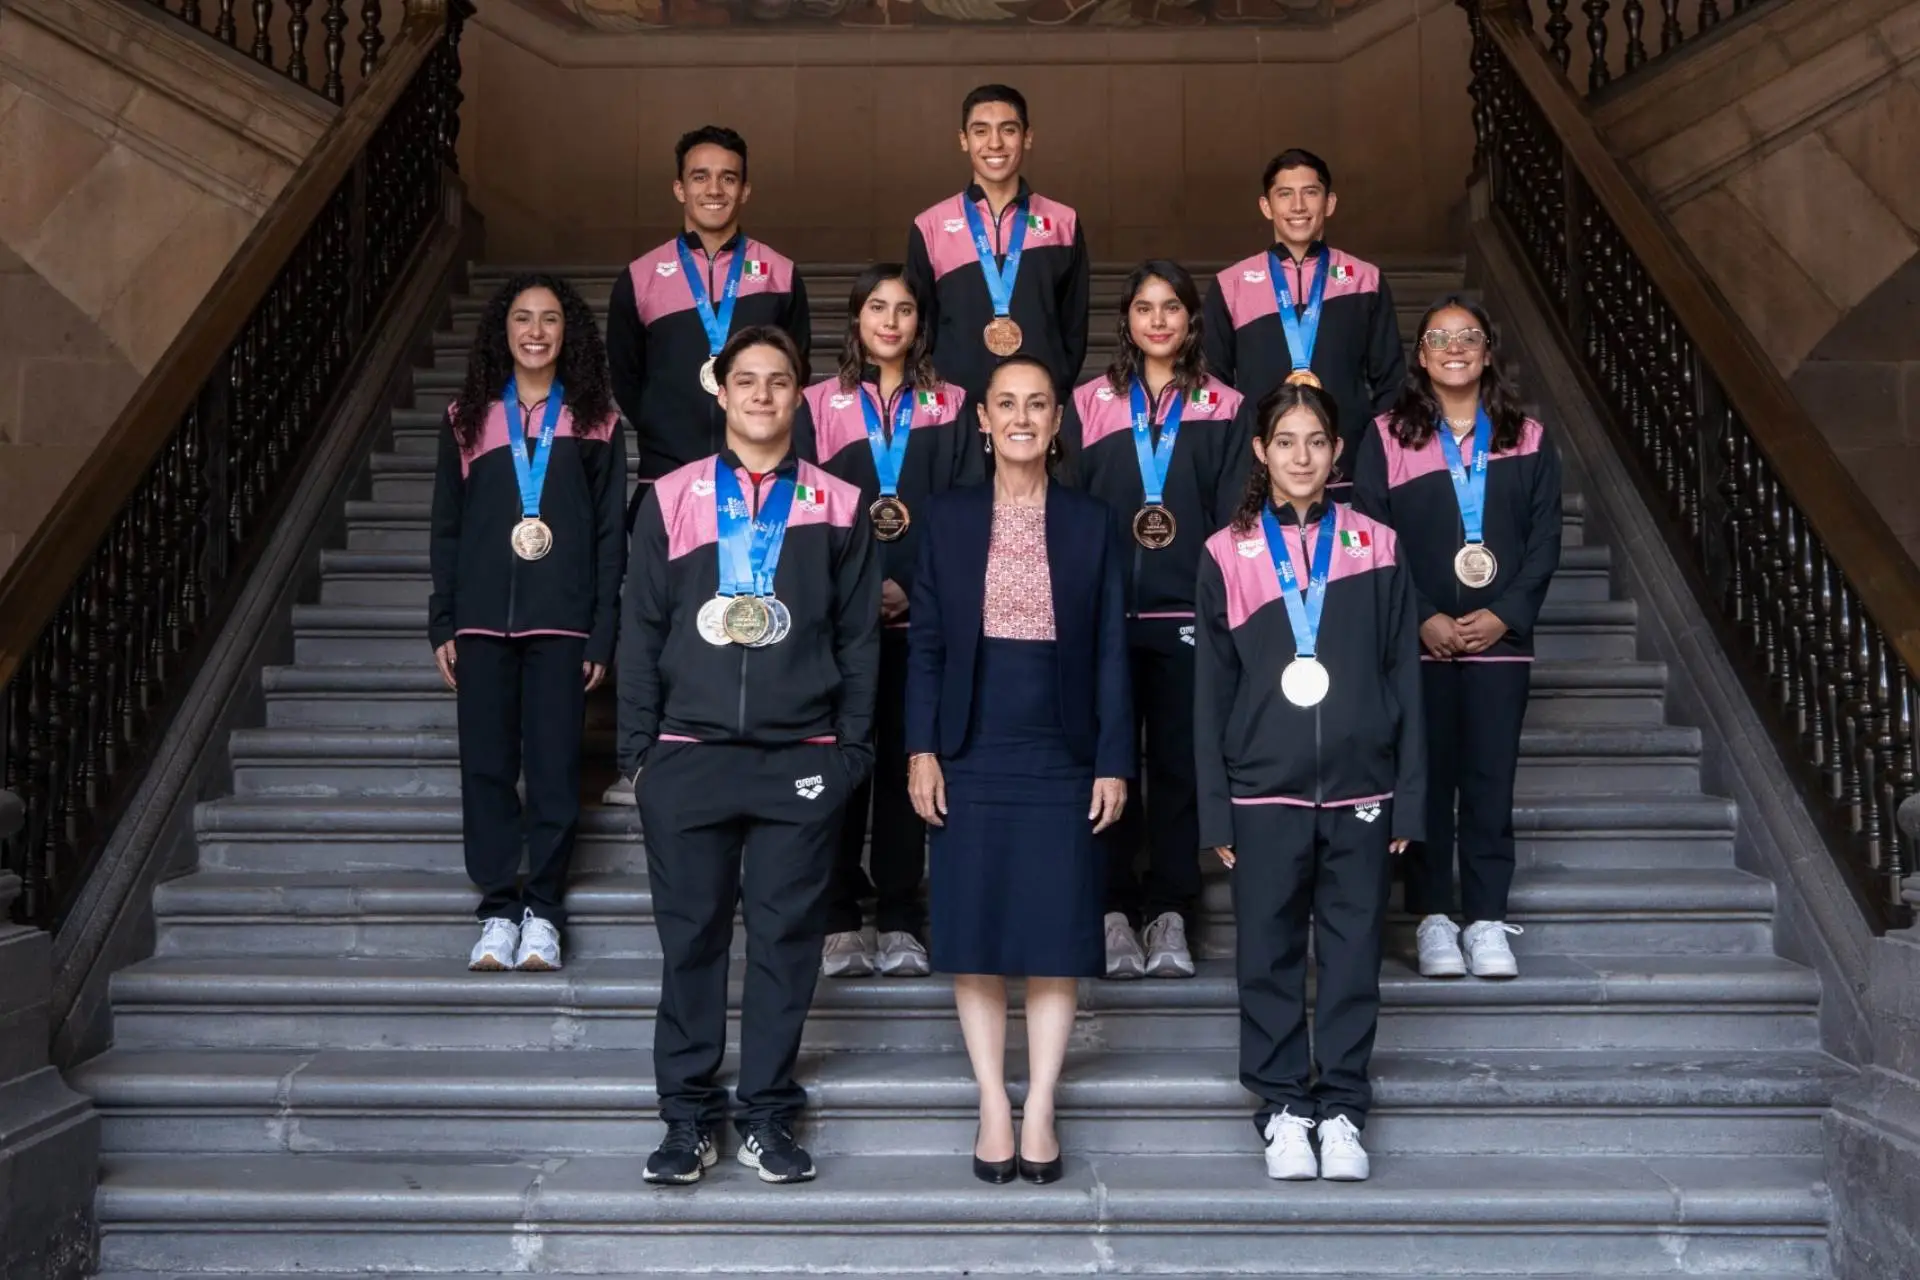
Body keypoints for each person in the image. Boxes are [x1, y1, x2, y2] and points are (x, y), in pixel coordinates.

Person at [617, 325, 880, 1187]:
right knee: (690, 943)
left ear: (799, 396)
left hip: (797, 762)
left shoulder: (839, 503)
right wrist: (640, 756)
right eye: (747, 381)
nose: (763, 395)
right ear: (721, 394)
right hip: (687, 759)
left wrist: (849, 756)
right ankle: (687, 1119)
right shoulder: (670, 499)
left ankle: (766, 1112)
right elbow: (641, 628)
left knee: (784, 944)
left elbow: (859, 642)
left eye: (778, 381)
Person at [905, 356, 1132, 1185]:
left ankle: (1039, 1104)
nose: (1023, 417)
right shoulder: (950, 517)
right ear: (983, 420)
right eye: (1007, 403)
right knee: (976, 930)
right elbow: (926, 643)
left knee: (1054, 933)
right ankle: (991, 1104)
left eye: (1038, 403)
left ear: (1059, 420)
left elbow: (1111, 645)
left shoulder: (1091, 520)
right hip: (972, 742)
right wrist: (921, 748)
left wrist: (1114, 757)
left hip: (1062, 748)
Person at [1194, 382, 1423, 1184]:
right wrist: (1214, 808)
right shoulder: (1227, 551)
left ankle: (1345, 1110)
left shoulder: (1380, 545)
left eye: (1315, 441)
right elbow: (1210, 693)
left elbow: (1405, 674)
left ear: (1337, 453)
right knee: (1268, 953)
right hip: (1263, 791)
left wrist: (1410, 793)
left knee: (1355, 953)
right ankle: (1285, 1108)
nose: (1300, 455)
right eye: (1284, 441)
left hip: (1363, 787)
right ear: (1261, 452)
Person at [1353, 297, 1562, 981]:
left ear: (1487, 350)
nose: (1454, 347)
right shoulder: (1387, 436)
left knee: (1489, 780)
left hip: (1501, 643)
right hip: (1421, 641)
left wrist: (1506, 613)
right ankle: (1435, 918)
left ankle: (1486, 918)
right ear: (1420, 355)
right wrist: (1419, 615)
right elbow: (1372, 542)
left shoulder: (1525, 437)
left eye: (1468, 336)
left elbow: (1544, 541)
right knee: (1424, 778)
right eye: (1439, 337)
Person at [427, 274, 625, 973]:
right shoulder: (466, 418)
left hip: (562, 626)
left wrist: (602, 630)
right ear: (501, 331)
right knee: (484, 769)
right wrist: (443, 620)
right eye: (521, 318)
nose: (535, 330)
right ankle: (496, 910)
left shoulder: (598, 420)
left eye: (549, 318)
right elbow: (446, 531)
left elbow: (610, 539)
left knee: (551, 770)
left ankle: (543, 908)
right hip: (481, 624)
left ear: (568, 331)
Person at [1059, 260, 1249, 981]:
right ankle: (1111, 909)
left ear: (1192, 320)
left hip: (1189, 615)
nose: (1159, 320)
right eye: (1145, 307)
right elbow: (1069, 511)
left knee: (1178, 767)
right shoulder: (1088, 404)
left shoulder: (1226, 406)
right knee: (1107, 765)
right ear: (1127, 320)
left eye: (1173, 307)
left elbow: (1238, 518)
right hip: (1107, 615)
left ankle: (1171, 910)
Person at [797, 265, 980, 980]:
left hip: (923, 622)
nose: (891, 321)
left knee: (913, 765)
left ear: (920, 322)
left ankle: (902, 914)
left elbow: (967, 512)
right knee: (843, 767)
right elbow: (806, 513)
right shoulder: (818, 403)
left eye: (905, 309)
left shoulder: (953, 403)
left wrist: (913, 586)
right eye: (877, 307)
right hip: (844, 624)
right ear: (855, 318)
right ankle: (839, 915)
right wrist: (862, 587)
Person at [605, 125, 811, 518]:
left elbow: (795, 372)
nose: (714, 190)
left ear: (745, 190)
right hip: (667, 478)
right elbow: (626, 378)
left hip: (762, 479)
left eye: (728, 178)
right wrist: (664, 427)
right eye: (700, 177)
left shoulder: (780, 275)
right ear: (680, 189)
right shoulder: (640, 277)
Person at [1201, 148, 1404, 493]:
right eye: (1285, 194)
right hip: (1259, 473)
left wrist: (1371, 453)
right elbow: (1214, 389)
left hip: (1348, 468)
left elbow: (1391, 382)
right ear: (1266, 206)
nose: (1298, 206)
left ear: (1330, 203)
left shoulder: (1364, 280)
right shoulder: (1230, 284)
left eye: (1310, 192)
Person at [906, 84, 1091, 410]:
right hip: (956, 410)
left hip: (1036, 410)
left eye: (1008, 130)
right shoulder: (930, 226)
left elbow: (1073, 327)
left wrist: (1057, 386)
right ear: (964, 140)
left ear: (1028, 137)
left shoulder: (1064, 222)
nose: (995, 143)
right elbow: (922, 329)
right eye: (981, 131)